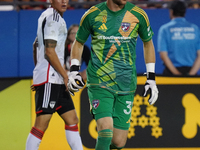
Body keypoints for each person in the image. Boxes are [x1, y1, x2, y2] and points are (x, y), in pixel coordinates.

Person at [67, 0, 159, 149]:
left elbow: (148, 43)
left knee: (118, 141)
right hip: (99, 81)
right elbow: (78, 42)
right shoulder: (92, 14)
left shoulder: (139, 15)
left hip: (126, 83)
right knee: (106, 129)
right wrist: (73, 71)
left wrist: (151, 79)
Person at [25, 0, 83, 149]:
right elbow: (49, 51)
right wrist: (65, 76)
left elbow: (35, 45)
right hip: (51, 79)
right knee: (41, 124)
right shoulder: (54, 19)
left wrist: (39, 71)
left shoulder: (48, 16)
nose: (64, 1)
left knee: (72, 119)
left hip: (52, 78)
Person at [157, 0, 200, 76]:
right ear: (185, 12)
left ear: (171, 12)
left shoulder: (165, 29)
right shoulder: (195, 29)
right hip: (191, 73)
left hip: (171, 73)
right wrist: (191, 75)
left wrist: (177, 75)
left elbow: (163, 55)